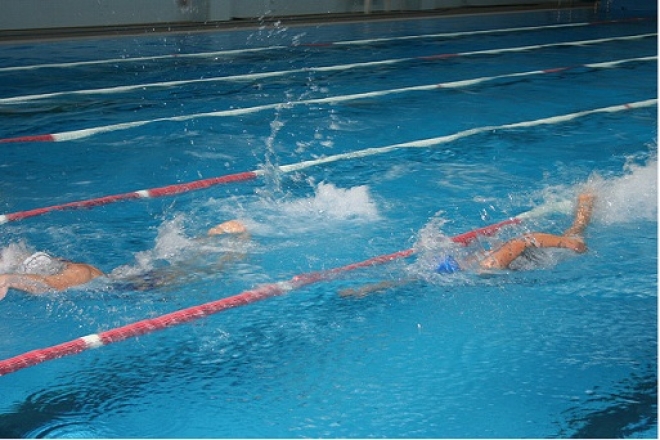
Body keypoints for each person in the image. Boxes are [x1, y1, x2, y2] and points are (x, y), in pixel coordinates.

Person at [340, 193, 595, 297]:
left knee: (576, 234)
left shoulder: (488, 265)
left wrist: (567, 244)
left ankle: (585, 206)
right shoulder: (472, 266)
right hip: (522, 260)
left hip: (537, 254)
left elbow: (524, 240)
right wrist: (368, 289)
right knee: (417, 278)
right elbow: (413, 280)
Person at [0, 219, 248, 300]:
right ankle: (211, 241)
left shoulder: (79, 274)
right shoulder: (17, 255)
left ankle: (233, 242)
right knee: (180, 266)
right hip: (116, 278)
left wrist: (10, 279)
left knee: (196, 273)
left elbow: (52, 285)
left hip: (123, 285)